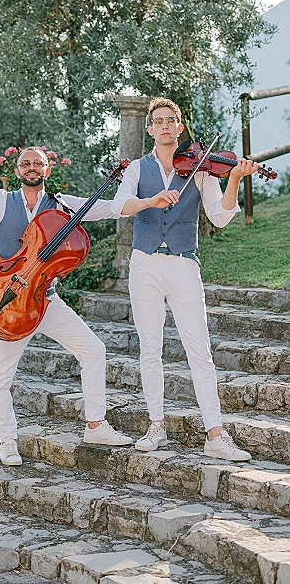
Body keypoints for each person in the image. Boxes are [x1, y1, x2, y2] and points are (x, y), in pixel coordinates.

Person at [0, 147, 133, 467]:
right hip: (7, 300)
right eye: (26, 163)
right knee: (0, 378)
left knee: (93, 349)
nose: (32, 167)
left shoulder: (63, 204)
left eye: (38, 163)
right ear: (16, 170)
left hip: (45, 300)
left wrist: (147, 201)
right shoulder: (1, 201)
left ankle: (95, 425)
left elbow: (109, 208)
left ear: (47, 170)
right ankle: (8, 441)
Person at [111, 97, 259, 461]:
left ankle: (215, 435)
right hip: (144, 263)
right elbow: (119, 205)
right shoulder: (137, 169)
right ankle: (156, 426)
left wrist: (235, 178)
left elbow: (220, 217)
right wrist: (151, 201)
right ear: (150, 129)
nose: (164, 125)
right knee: (150, 349)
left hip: (183, 264)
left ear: (179, 127)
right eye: (157, 120)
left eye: (170, 120)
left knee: (200, 351)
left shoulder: (201, 169)